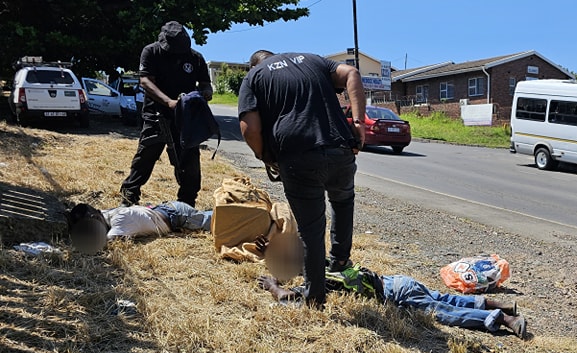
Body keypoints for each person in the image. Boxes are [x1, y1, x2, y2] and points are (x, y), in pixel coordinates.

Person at [238, 50, 365, 309]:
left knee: (311, 230)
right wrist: (359, 123)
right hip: (340, 147)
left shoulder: (254, 77)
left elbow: (250, 129)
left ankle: (314, 298)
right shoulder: (312, 60)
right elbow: (352, 73)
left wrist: (267, 157)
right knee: (343, 200)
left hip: (298, 157)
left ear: (254, 66)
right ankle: (340, 261)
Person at [256, 273, 527, 338]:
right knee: (443, 300)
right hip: (398, 282)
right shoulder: (328, 264)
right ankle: (494, 303)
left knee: (444, 312)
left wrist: (271, 285)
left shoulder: (315, 285)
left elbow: (285, 299)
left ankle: (501, 318)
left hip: (395, 296)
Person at [120, 21, 214, 207]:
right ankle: (129, 195)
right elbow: (145, 81)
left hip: (185, 118)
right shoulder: (151, 52)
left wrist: (204, 93)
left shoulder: (195, 58)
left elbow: (205, 83)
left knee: (189, 160)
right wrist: (168, 102)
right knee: (146, 156)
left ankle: (187, 203)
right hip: (156, 114)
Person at [67, 201, 212, 253]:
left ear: (95, 218)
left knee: (220, 221)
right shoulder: (104, 215)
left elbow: (105, 243)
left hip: (180, 217)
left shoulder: (121, 219)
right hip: (168, 211)